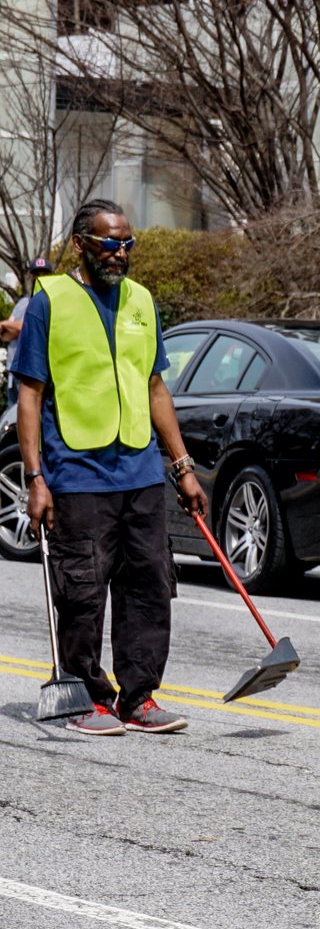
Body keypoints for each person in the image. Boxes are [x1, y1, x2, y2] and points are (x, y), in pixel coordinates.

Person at [15, 198, 205, 736]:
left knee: (149, 585)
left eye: (127, 243)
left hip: (141, 472)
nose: (119, 253)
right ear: (81, 244)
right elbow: (30, 394)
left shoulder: (142, 301)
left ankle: (138, 697)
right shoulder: (50, 301)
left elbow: (154, 386)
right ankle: (82, 698)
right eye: (108, 243)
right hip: (76, 473)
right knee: (82, 590)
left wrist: (183, 466)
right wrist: (35, 478)